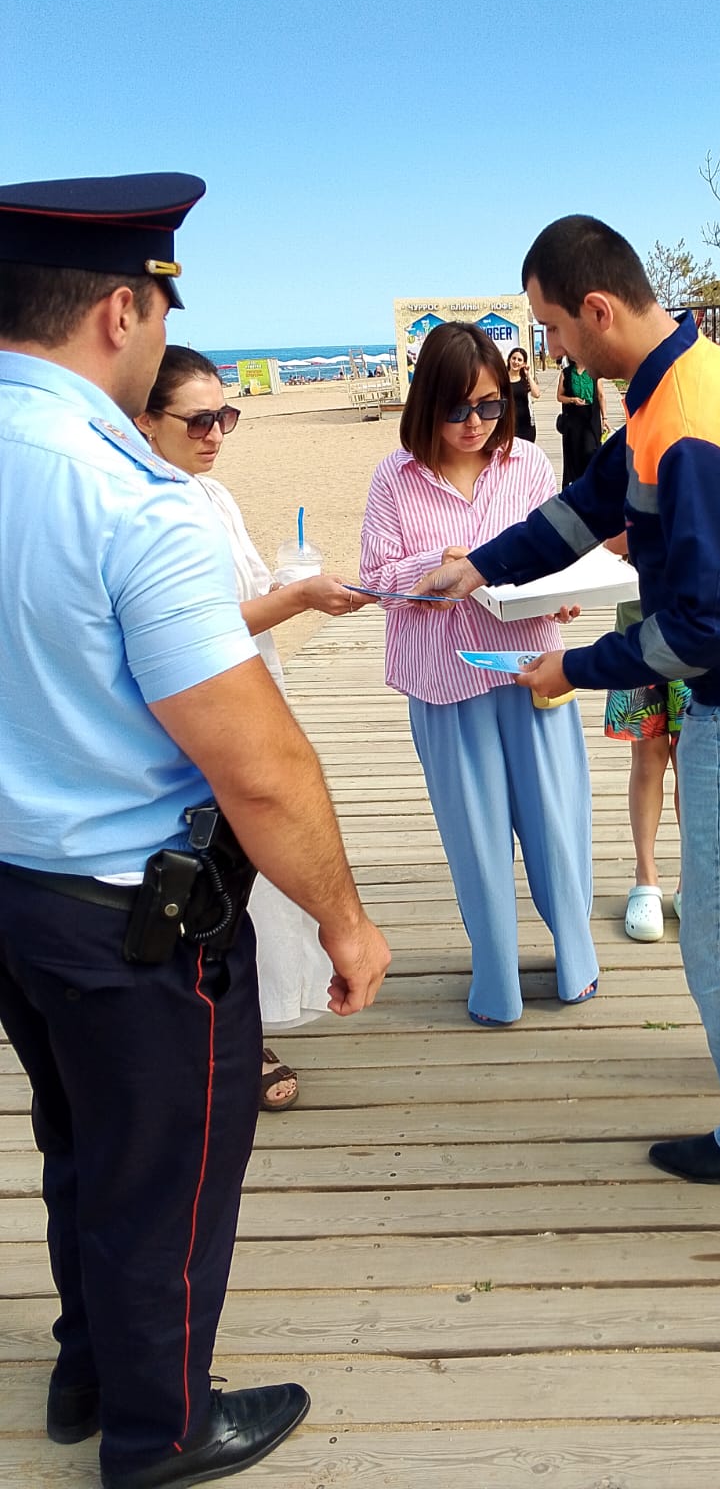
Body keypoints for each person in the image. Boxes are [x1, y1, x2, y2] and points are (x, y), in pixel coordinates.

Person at [0, 173, 392, 1489]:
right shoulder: (130, 501)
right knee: (163, 1165)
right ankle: (158, 1426)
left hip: (14, 888)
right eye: (163, 306)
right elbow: (260, 767)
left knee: (77, 1142)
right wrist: (341, 916)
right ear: (122, 309)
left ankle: (87, 1369)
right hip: (130, 908)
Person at [413, 215, 720, 1185]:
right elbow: (589, 501)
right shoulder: (693, 371)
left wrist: (572, 670)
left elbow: (705, 629)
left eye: (551, 330)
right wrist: (479, 566)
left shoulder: (684, 424)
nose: (552, 353)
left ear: (595, 308)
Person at [134, 345, 375, 1111]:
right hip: (201, 709)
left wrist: (288, 585)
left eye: (226, 415)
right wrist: (299, 598)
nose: (215, 432)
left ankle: (238, 1028)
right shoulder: (153, 510)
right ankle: (225, 1040)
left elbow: (239, 597)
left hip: (248, 693)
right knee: (215, 874)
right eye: (198, 418)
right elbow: (201, 628)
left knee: (245, 878)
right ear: (145, 420)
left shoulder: (213, 495)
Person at [360, 321, 598, 1025]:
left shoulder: (527, 464)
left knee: (558, 822)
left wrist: (570, 585)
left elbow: (560, 554)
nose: (475, 423)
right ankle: (495, 978)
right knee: (476, 836)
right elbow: (375, 580)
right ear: (425, 404)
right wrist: (437, 570)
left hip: (532, 666)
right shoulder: (393, 477)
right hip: (444, 682)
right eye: (458, 408)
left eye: (491, 406)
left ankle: (576, 956)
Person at [601, 535, 689, 942]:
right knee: (649, 760)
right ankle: (646, 875)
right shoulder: (632, 472)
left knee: (692, 763)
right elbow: (609, 540)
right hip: (637, 638)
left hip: (697, 639)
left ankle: (695, 878)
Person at [556, 351, 606, 487]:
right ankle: (577, 485)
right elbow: (559, 396)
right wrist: (572, 399)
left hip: (591, 418)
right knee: (574, 453)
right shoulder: (566, 373)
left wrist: (605, 418)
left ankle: (590, 481)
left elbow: (601, 395)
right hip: (573, 419)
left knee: (590, 450)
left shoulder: (594, 372)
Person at [506, 345, 541, 443]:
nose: (516, 362)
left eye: (519, 360)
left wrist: (528, 375)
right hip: (508, 425)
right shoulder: (502, 379)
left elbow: (537, 394)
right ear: (509, 359)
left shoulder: (525, 380)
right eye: (514, 358)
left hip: (526, 425)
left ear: (523, 363)